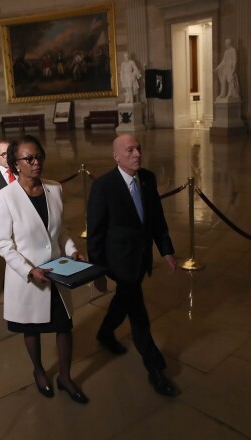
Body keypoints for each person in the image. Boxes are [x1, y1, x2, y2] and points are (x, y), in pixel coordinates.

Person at [0, 135, 88, 404]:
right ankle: (38, 370)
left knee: (64, 327)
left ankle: (66, 377)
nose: (36, 163)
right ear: (15, 164)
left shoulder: (54, 188)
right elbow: (4, 244)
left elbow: (61, 231)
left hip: (57, 273)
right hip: (28, 277)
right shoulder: (4, 198)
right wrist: (28, 270)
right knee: (31, 328)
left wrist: (71, 251)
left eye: (39, 157)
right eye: (29, 159)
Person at [87, 133, 178, 397]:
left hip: (141, 258)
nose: (137, 154)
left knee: (124, 300)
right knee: (138, 315)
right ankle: (154, 367)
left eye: (138, 149)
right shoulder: (103, 187)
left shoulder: (148, 178)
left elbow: (156, 219)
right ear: (116, 156)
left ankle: (105, 333)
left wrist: (167, 250)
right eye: (130, 151)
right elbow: (95, 233)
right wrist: (98, 272)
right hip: (119, 261)